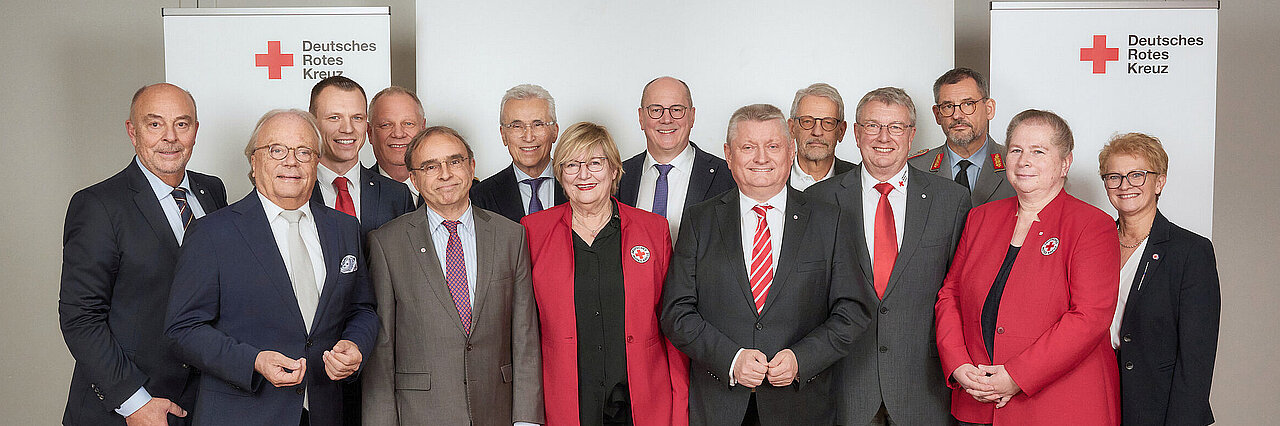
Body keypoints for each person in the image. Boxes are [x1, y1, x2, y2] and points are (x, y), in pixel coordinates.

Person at [661, 104, 873, 425]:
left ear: (790, 151)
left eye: (773, 146)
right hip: (720, 405)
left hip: (802, 406)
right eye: (748, 147)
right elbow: (676, 312)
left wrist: (802, 359)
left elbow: (853, 311)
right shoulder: (699, 220)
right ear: (729, 155)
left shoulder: (830, 220)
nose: (761, 158)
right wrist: (730, 360)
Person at [165, 109, 379, 426]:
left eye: (303, 151)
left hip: (326, 411)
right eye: (277, 150)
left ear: (317, 161)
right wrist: (253, 361)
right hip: (243, 413)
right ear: (254, 161)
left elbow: (363, 307)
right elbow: (182, 331)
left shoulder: (343, 228)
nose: (291, 162)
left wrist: (356, 345)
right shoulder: (212, 233)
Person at [935, 110, 1120, 425]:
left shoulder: (1092, 225)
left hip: (1059, 406)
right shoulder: (981, 218)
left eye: (1038, 151)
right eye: (1016, 150)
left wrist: (1016, 376)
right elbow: (949, 295)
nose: (1024, 160)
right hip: (977, 398)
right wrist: (958, 365)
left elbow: (1089, 318)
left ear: (1065, 163)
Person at [59, 83, 227, 426]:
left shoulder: (212, 191)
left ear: (196, 130)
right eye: (155, 124)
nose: (170, 137)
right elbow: (80, 316)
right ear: (132, 132)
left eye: (182, 124)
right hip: (129, 409)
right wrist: (134, 403)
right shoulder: (98, 206)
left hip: (202, 405)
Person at [807, 87, 971, 425]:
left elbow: (960, 295)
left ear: (911, 135)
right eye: (872, 126)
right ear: (855, 133)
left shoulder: (951, 201)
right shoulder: (817, 200)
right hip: (844, 386)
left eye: (896, 127)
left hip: (924, 388)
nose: (884, 137)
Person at [363, 126, 545, 425]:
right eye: (430, 166)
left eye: (455, 161)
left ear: (472, 167)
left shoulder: (511, 235)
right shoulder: (386, 243)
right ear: (414, 178)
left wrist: (526, 419)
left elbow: (525, 336)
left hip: (496, 410)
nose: (445, 174)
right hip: (420, 414)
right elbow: (381, 350)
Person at [523, 121, 688, 425]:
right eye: (572, 164)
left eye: (595, 163)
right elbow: (522, 330)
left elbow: (674, 324)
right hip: (566, 400)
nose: (583, 175)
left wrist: (681, 408)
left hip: (642, 400)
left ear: (614, 171)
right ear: (560, 175)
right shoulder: (533, 231)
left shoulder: (653, 230)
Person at [1099, 133, 1219, 426]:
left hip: (1159, 407)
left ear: (1159, 182)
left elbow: (1196, 359)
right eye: (1114, 176)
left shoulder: (1191, 251)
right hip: (1099, 397)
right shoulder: (1093, 244)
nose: (1125, 185)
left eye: (1137, 175)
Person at [617, 76, 737, 240]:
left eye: (677, 109)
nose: (666, 119)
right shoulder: (617, 177)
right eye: (656, 110)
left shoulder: (728, 176)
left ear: (692, 116)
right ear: (641, 117)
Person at [308, 77, 414, 243]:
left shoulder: (397, 195)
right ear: (313, 123)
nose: (348, 129)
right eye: (335, 117)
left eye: (357, 118)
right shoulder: (295, 190)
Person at [908, 68, 1015, 206]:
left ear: (989, 109)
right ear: (937, 115)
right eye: (948, 106)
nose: (957, 115)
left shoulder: (1016, 164)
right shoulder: (915, 168)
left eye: (968, 104)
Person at [471, 84, 568, 222]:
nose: (528, 137)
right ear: (503, 135)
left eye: (538, 124)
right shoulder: (481, 196)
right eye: (517, 126)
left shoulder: (579, 184)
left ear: (555, 131)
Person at [787, 83, 856, 190]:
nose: (817, 132)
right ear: (792, 128)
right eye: (807, 122)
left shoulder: (858, 180)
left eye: (828, 123)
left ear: (841, 131)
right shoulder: (771, 176)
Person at [368, 86, 427, 199]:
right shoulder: (353, 192)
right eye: (386, 125)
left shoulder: (449, 186)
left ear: (423, 128)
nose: (398, 134)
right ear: (369, 133)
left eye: (408, 124)